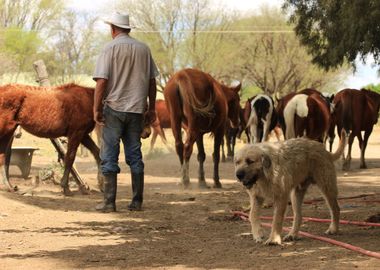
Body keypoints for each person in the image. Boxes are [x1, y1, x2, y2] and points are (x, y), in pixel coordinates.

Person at [93, 12, 158, 212]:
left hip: (113, 109)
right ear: (128, 28)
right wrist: (152, 107)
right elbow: (152, 81)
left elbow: (102, 81)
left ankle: (109, 203)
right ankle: (137, 202)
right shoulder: (144, 49)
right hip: (137, 110)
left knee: (109, 155)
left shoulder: (109, 48)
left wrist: (96, 108)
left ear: (113, 29)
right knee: (135, 156)